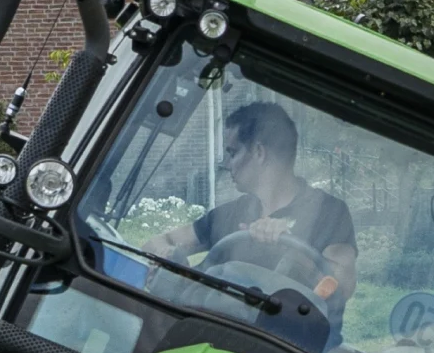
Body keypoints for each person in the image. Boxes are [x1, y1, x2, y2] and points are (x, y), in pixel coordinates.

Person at [148, 100, 357, 333]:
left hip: (289, 347)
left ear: (259, 152)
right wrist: (165, 254)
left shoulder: (328, 212)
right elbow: (157, 243)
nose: (227, 165)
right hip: (211, 332)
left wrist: (292, 249)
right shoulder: (229, 213)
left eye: (233, 152)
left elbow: (344, 286)